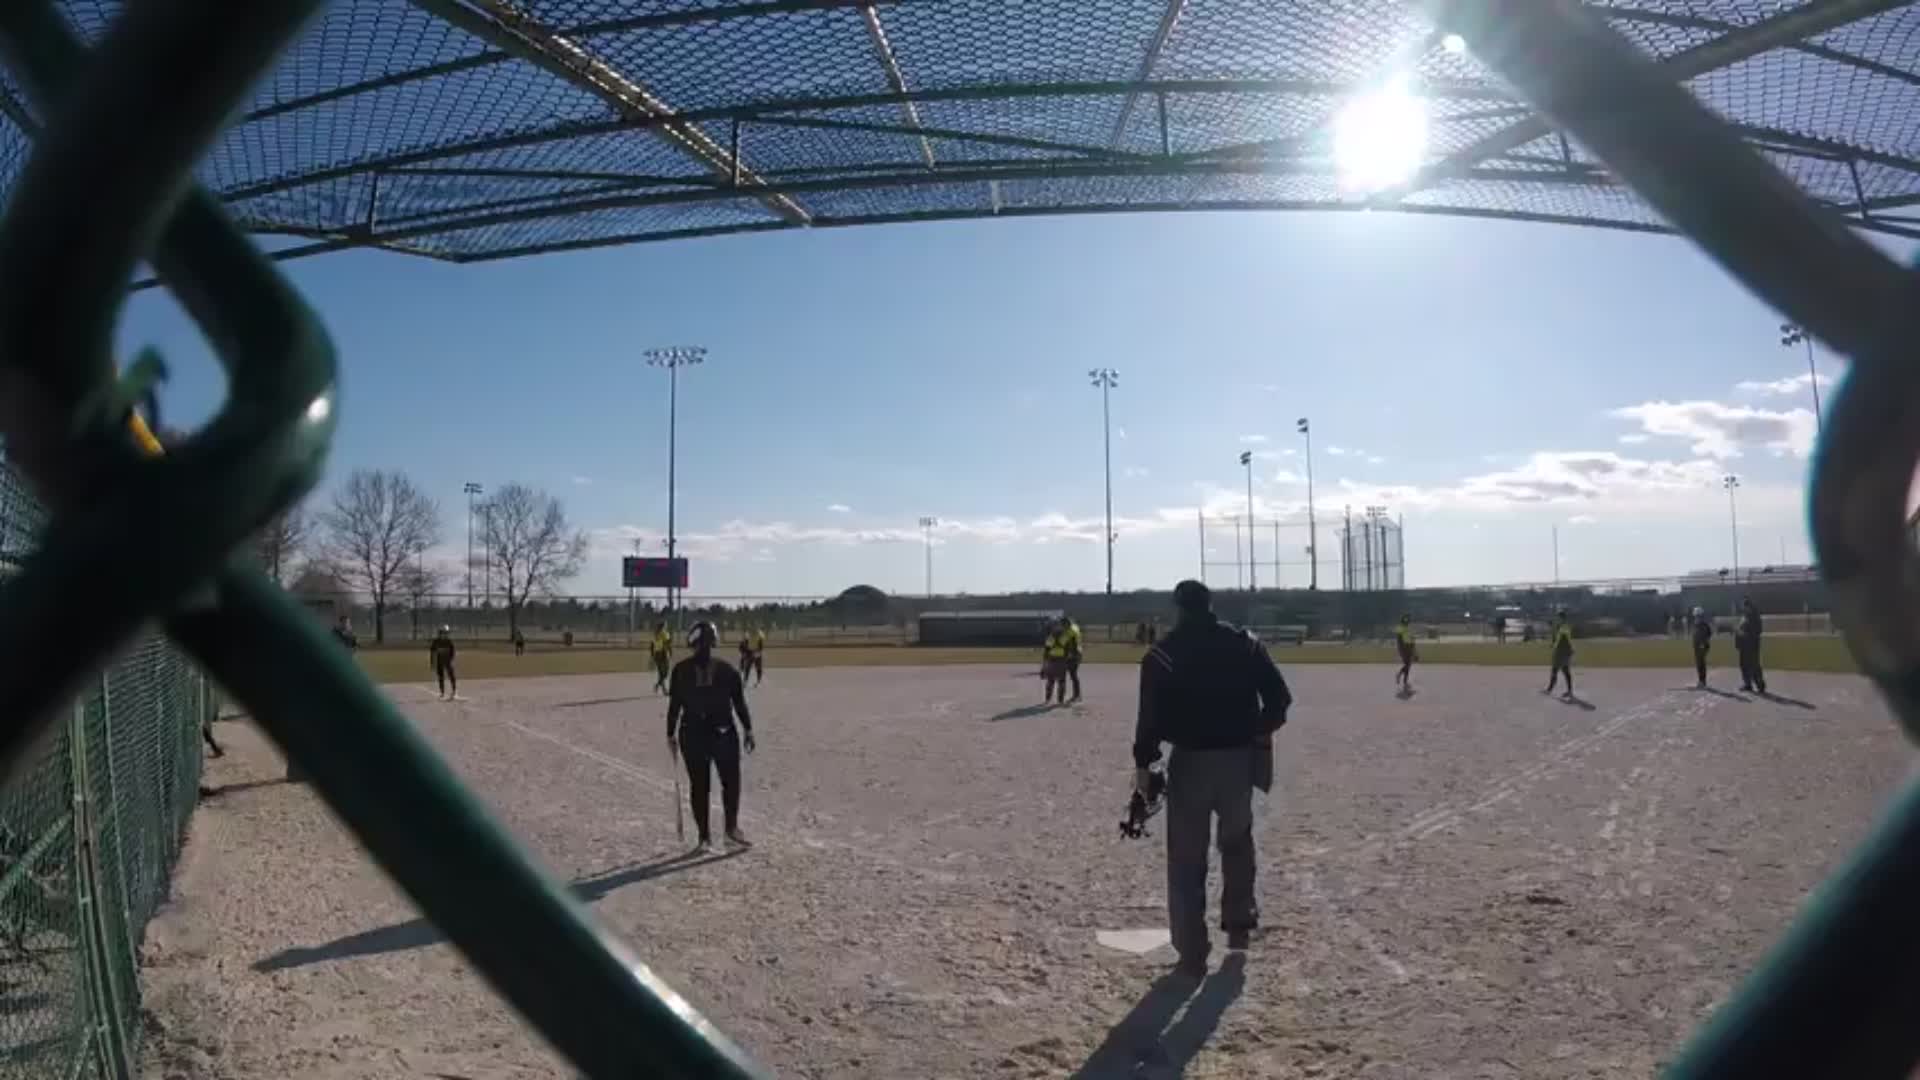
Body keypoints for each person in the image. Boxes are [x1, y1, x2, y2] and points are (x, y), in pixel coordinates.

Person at [1133, 580, 1292, 979]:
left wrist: (1144, 764)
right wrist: (1257, 730)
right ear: (1210, 605)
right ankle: (1239, 928)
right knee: (1237, 843)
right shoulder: (1245, 643)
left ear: (1178, 608)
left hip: (1189, 762)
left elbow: (1149, 720)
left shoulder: (1163, 653)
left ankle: (1192, 951)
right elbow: (1279, 699)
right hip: (1239, 761)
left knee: (1187, 858)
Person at [667, 621, 756, 852]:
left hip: (692, 734)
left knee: (699, 786)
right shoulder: (728, 671)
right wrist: (748, 729)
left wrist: (670, 734)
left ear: (692, 641)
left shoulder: (680, 671)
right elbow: (739, 705)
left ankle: (704, 837)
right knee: (730, 783)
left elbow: (674, 707)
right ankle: (730, 830)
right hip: (723, 733)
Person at [1737, 598, 1767, 694]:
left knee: (1754, 666)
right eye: (1743, 606)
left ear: (1749, 606)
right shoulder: (1744, 617)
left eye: (1746, 606)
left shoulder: (1755, 617)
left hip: (1752, 645)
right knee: (1743, 665)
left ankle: (1760, 685)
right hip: (1743, 646)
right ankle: (1747, 684)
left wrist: (1745, 633)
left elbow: (1757, 631)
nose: (1744, 608)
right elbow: (1740, 629)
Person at [1545, 609, 1575, 699]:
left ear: (1562, 618)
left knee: (1556, 669)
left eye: (1558, 617)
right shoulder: (1561, 626)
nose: (1557, 619)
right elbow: (1558, 637)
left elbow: (1561, 637)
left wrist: (1554, 645)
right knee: (1565, 670)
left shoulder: (1564, 626)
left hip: (1562, 651)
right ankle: (1569, 691)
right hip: (1563, 650)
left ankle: (1550, 689)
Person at [1041, 619, 1071, 703]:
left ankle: (1048, 698)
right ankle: (1060, 700)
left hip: (1052, 659)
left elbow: (1046, 651)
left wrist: (1044, 664)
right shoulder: (1064, 636)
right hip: (1061, 660)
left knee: (1051, 680)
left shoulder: (1051, 637)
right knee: (1061, 680)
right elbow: (1067, 650)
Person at [430, 624, 457, 700]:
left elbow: (453, 652)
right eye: (443, 632)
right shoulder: (436, 642)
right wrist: (432, 663)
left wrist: (451, 660)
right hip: (439, 662)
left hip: (448, 661)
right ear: (440, 633)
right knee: (441, 677)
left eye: (446, 633)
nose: (445, 634)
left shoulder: (449, 642)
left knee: (452, 676)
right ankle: (442, 692)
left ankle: (454, 691)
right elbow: (432, 653)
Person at [1690, 606, 1714, 689]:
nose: (1696, 617)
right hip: (1698, 646)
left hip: (1702, 646)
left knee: (1700, 663)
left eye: (1697, 615)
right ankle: (1701, 681)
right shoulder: (1697, 624)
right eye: (1696, 616)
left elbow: (1707, 635)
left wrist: (1703, 644)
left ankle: (1702, 682)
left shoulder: (1703, 625)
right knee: (1699, 663)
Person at [1063, 614, 1085, 702]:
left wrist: (1071, 654)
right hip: (1076, 653)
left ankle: (1077, 695)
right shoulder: (1075, 627)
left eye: (1064, 624)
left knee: (1073, 674)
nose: (1063, 627)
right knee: (1071, 675)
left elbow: (1073, 644)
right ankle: (1076, 695)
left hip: (1074, 654)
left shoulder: (1071, 631)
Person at [1394, 614, 1417, 691]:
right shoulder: (1400, 627)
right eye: (1405, 619)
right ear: (1403, 620)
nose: (1407, 620)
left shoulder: (1409, 628)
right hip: (1404, 648)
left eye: (1408, 619)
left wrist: (1414, 651)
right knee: (1407, 664)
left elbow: (1412, 639)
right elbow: (1399, 639)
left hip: (1409, 647)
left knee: (1408, 665)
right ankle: (1400, 675)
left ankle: (1404, 680)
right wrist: (1401, 649)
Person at [649, 621, 672, 694]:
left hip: (656, 655)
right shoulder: (665, 633)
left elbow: (652, 646)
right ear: (663, 626)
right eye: (666, 625)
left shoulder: (655, 634)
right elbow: (667, 644)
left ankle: (659, 686)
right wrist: (670, 652)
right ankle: (662, 688)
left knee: (661, 673)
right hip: (663, 654)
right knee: (665, 673)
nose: (666, 626)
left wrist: (652, 655)